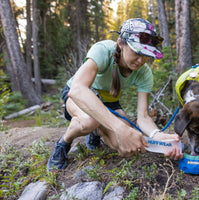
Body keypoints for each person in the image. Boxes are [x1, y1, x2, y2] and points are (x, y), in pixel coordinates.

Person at [47, 18, 183, 171]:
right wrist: (118, 127)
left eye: (146, 55)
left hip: (110, 102)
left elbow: (143, 116)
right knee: (90, 121)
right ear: (120, 43)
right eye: (136, 52)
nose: (140, 60)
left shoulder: (144, 73)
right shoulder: (103, 50)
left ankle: (97, 131)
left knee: (123, 143)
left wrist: (158, 136)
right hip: (78, 97)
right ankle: (64, 142)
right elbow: (77, 90)